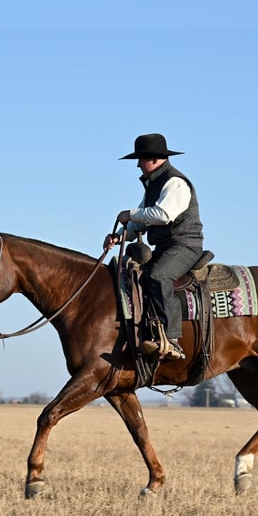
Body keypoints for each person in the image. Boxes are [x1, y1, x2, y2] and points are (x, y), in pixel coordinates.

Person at [104, 133, 204, 360]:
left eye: (141, 159)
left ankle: (171, 341)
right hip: (165, 247)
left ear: (155, 159)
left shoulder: (175, 182)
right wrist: (119, 237)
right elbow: (141, 221)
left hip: (184, 246)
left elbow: (163, 215)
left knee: (159, 276)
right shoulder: (153, 185)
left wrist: (129, 214)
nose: (138, 165)